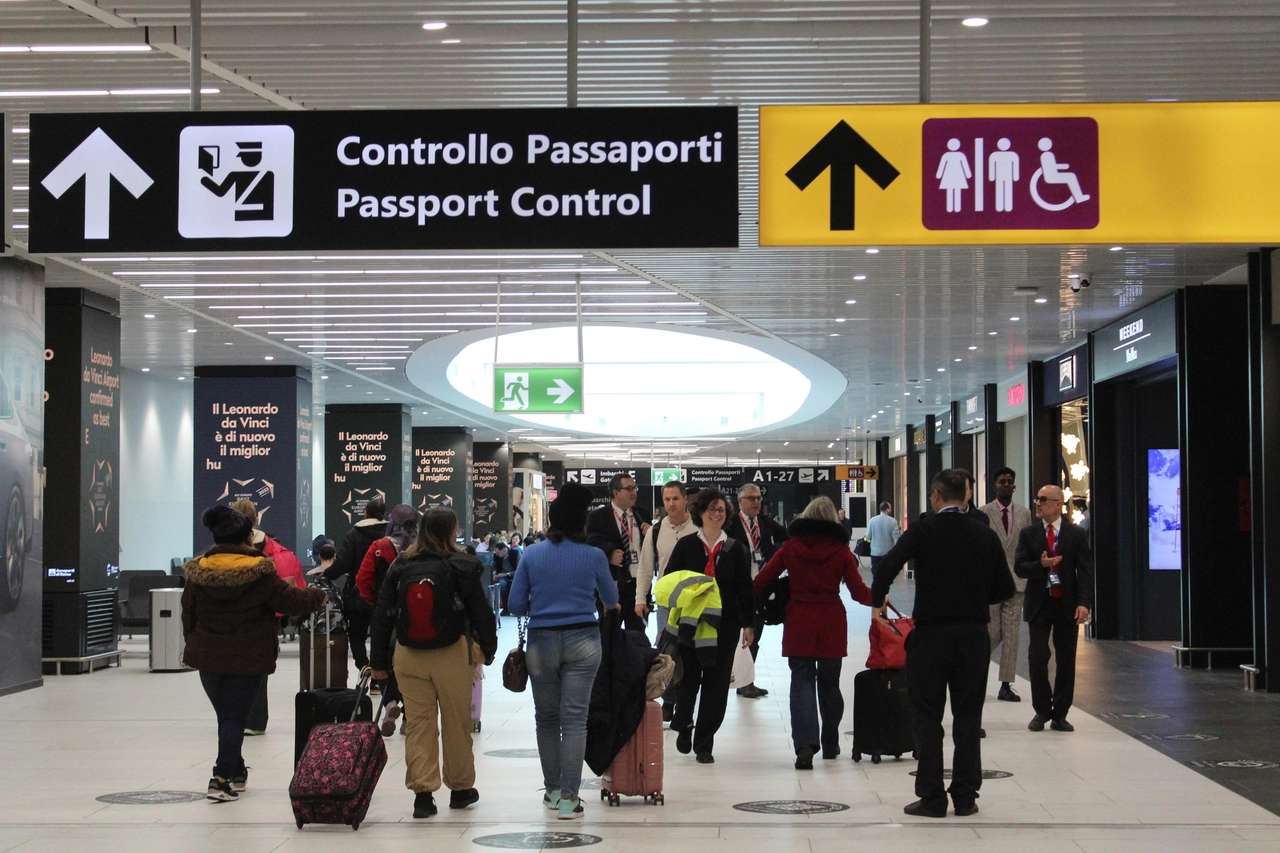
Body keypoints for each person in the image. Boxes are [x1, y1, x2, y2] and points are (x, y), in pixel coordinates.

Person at [871, 469, 1013, 818]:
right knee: (967, 717)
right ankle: (965, 796)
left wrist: (878, 602)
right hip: (972, 636)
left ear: (935, 495)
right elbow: (1005, 589)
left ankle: (932, 796)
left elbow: (887, 567)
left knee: (927, 717)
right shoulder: (984, 534)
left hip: (931, 635)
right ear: (965, 497)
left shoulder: (922, 530)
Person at [182, 506, 325, 802]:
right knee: (234, 717)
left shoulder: (199, 572)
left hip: (208, 657)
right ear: (247, 537)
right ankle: (220, 778)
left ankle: (236, 772)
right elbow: (290, 601)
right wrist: (318, 594)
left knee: (226, 716)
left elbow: (188, 615)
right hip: (248, 657)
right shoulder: (259, 571)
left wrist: (194, 643)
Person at [369, 507, 497, 820]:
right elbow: (481, 611)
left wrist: (378, 663)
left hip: (408, 655)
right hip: (452, 653)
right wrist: (489, 650)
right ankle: (460, 789)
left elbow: (383, 614)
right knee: (457, 723)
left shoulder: (402, 564)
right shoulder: (462, 565)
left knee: (419, 725)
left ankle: (423, 797)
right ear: (451, 531)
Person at [508, 482, 619, 821]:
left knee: (547, 718)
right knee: (575, 720)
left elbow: (514, 604)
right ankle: (571, 799)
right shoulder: (594, 556)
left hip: (542, 642)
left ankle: (552, 790)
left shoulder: (532, 554)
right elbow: (612, 600)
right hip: (584, 639)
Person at [753, 496, 875, 769]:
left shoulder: (790, 548)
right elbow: (858, 593)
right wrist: (880, 597)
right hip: (831, 619)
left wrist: (758, 605)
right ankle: (830, 742)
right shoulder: (842, 552)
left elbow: (761, 581)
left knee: (802, 682)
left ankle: (805, 745)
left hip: (799, 620)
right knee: (830, 683)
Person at [664, 487, 754, 764]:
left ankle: (704, 743)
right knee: (687, 681)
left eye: (721, 510)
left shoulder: (736, 548)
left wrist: (748, 623)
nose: (717, 514)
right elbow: (669, 580)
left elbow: (744, 588)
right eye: (712, 509)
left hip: (724, 626)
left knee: (716, 686)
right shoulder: (687, 545)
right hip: (690, 625)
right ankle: (684, 722)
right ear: (700, 513)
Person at [1015, 485, 1094, 733]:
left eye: (1044, 499)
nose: (1037, 503)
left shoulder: (1075, 534)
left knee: (1066, 659)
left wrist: (1084, 603)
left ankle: (1060, 714)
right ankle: (1041, 710)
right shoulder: (1028, 534)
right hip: (1039, 602)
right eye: (1036, 498)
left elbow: (1085, 571)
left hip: (1066, 604)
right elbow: (1019, 567)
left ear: (1059, 504)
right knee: (1037, 657)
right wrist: (1040, 564)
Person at [230, 498, 303, 736]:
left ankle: (234, 718)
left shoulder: (225, 548)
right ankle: (255, 720)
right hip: (264, 620)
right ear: (256, 519)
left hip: (234, 618)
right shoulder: (273, 549)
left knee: (232, 669)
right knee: (258, 671)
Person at [635, 480, 699, 720]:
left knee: (691, 652)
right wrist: (640, 598)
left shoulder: (698, 528)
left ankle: (686, 702)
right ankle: (669, 700)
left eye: (675, 499)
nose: (671, 504)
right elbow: (645, 568)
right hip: (666, 602)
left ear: (685, 500)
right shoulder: (655, 531)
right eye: (667, 500)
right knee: (668, 651)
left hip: (696, 601)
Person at [357, 503, 421, 736]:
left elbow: (363, 579)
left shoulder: (378, 547)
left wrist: (375, 601)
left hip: (384, 614)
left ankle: (390, 704)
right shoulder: (421, 548)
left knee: (382, 662)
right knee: (411, 664)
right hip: (414, 615)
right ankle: (407, 717)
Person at [725, 483, 787, 698]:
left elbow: (788, 539)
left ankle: (747, 681)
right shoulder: (730, 524)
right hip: (738, 586)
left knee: (755, 635)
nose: (756, 502)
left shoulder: (766, 523)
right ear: (740, 501)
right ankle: (735, 678)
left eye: (759, 498)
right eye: (751, 498)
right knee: (738, 634)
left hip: (761, 587)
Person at [980, 467, 1033, 702]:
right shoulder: (983, 513)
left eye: (1009, 481)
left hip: (1017, 582)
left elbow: (1027, 546)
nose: (1006, 485)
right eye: (1001, 481)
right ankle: (975, 669)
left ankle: (1006, 684)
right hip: (991, 583)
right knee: (992, 633)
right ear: (994, 486)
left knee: (1012, 636)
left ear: (1014, 486)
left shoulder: (1024, 514)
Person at [326, 498, 387, 670]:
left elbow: (343, 564)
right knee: (381, 635)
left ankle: (363, 666)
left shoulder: (354, 534)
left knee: (357, 634)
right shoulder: (390, 535)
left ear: (365, 513)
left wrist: (327, 574)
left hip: (358, 593)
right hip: (385, 594)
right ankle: (378, 674)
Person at [585, 472, 651, 631]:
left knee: (637, 637)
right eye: (628, 489)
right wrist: (608, 554)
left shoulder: (642, 514)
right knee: (609, 635)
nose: (633, 492)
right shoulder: (598, 516)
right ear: (616, 492)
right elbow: (590, 542)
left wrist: (652, 533)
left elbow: (653, 548)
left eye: (635, 488)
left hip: (638, 587)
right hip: (612, 586)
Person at [866, 502, 900, 572]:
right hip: (888, 553)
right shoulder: (893, 521)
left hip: (875, 553)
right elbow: (897, 538)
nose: (891, 509)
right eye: (890, 508)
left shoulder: (872, 520)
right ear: (887, 509)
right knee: (887, 575)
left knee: (876, 574)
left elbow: (868, 536)